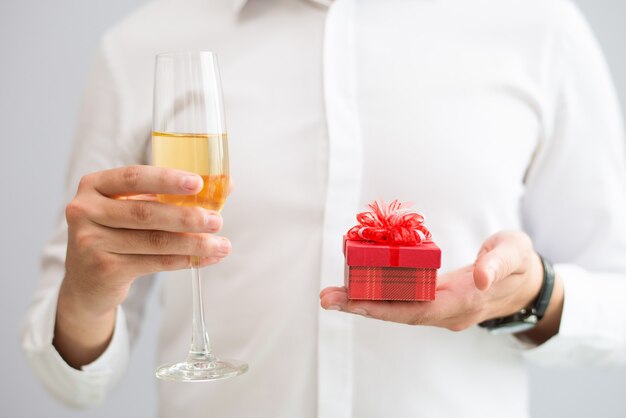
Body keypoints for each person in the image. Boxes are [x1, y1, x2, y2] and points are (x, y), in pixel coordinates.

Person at [21, 0, 626, 417]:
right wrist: (86, 292)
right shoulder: (141, 45)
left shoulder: (538, 28)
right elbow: (68, 380)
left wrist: (533, 295)